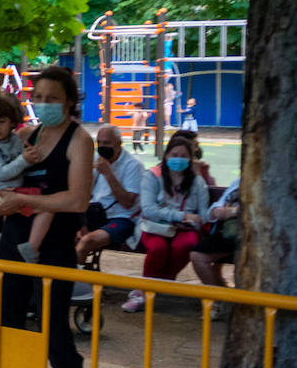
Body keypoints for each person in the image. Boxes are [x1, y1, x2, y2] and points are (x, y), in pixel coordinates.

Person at [0, 66, 95, 368]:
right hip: (13, 239)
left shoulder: (80, 141)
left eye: (52, 98)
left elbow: (76, 199)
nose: (44, 103)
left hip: (54, 247)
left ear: (69, 101)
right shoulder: (26, 135)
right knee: (9, 321)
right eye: (38, 96)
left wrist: (23, 199)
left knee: (54, 329)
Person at [124, 132, 211, 312]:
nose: (178, 159)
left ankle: (154, 287)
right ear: (166, 155)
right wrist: (181, 216)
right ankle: (145, 292)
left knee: (187, 244)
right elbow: (148, 209)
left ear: (190, 159)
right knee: (158, 248)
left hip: (185, 229)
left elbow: (203, 213)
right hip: (155, 226)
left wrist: (192, 222)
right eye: (174, 155)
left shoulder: (197, 181)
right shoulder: (153, 176)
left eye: (184, 156)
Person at [0, 91, 53, 264]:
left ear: (11, 122)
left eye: (1, 122)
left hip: (8, 189)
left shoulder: (11, 139)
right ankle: (32, 247)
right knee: (47, 207)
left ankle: (9, 237)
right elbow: (1, 172)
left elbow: (20, 157)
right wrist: (24, 160)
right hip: (1, 192)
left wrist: (28, 156)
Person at [74, 125, 145, 264]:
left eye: (106, 143)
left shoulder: (133, 165)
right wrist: (81, 223)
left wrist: (108, 173)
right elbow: (84, 194)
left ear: (119, 143)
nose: (101, 146)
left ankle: (75, 283)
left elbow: (127, 202)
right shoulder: (96, 159)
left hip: (120, 218)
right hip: (94, 212)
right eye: (99, 142)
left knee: (86, 242)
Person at [191, 178, 240, 301]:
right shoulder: (238, 182)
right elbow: (215, 209)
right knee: (197, 255)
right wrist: (217, 211)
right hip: (227, 231)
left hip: (252, 235)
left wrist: (234, 212)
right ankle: (217, 300)